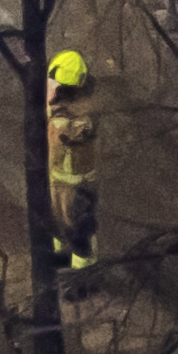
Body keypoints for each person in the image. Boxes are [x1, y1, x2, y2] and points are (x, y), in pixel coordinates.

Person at [45, 51, 99, 273]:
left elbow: (73, 133)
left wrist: (58, 114)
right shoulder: (60, 108)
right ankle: (59, 259)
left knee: (79, 231)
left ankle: (83, 276)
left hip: (78, 185)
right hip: (58, 181)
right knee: (58, 225)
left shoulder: (82, 116)